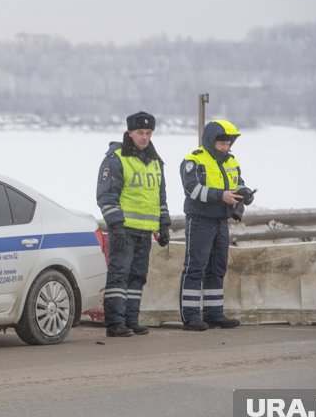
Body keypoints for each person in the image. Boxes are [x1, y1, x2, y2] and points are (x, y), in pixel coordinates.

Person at [96, 111, 171, 337]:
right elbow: (106, 195)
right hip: (124, 230)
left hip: (146, 230)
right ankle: (115, 323)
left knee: (138, 276)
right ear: (130, 132)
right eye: (140, 132)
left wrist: (163, 225)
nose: (144, 137)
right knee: (120, 274)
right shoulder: (116, 158)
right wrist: (116, 225)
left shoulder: (156, 161)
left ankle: (131, 319)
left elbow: (160, 197)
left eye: (148, 133)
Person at [179, 119, 255, 331]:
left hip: (222, 220)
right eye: (221, 144)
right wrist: (220, 196)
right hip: (200, 220)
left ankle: (214, 314)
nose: (225, 147)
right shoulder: (193, 160)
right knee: (195, 267)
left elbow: (237, 183)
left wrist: (244, 193)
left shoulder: (232, 162)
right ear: (210, 141)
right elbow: (192, 189)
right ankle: (191, 316)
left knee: (217, 268)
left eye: (228, 144)